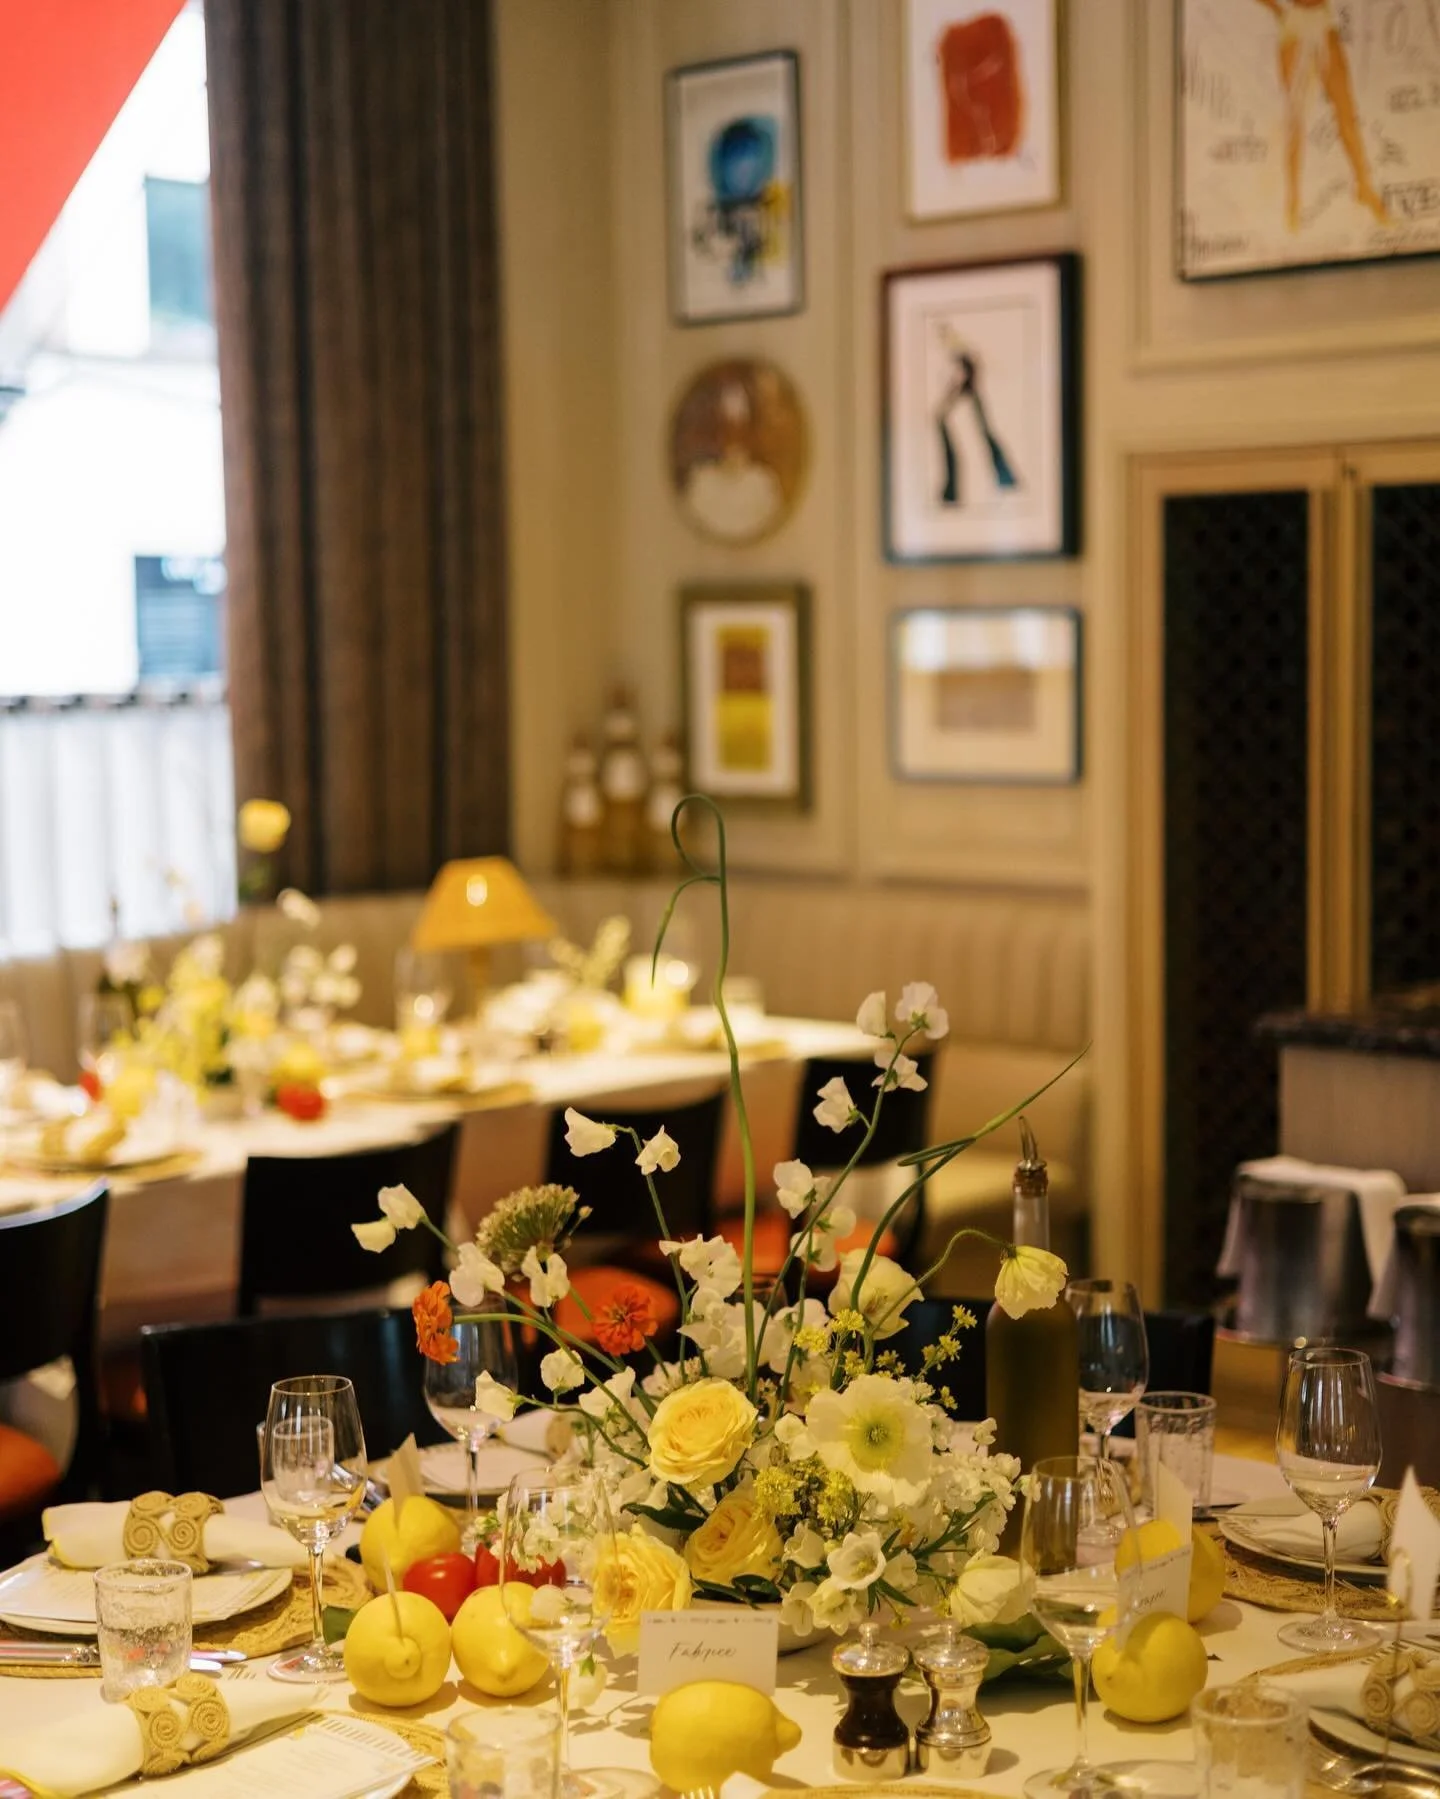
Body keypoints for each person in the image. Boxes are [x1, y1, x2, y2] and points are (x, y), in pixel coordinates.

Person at [1253, 0, 1388, 230]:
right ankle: (1293, 202)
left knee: (1346, 111)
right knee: (1296, 120)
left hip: (1323, 21)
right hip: (1295, 25)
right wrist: (1278, 10)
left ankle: (1364, 187)